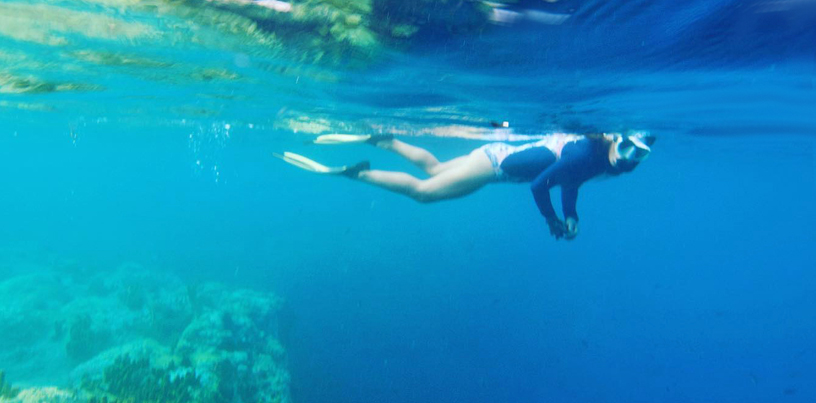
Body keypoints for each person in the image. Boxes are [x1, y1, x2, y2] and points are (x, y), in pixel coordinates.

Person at [275, 131, 654, 240]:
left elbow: (568, 181)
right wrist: (553, 221)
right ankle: (356, 172)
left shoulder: (593, 156)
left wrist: (572, 214)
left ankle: (384, 141)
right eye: (626, 147)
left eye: (637, 155)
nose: (626, 157)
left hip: (494, 155)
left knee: (437, 169)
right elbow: (540, 186)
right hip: (494, 166)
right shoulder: (587, 154)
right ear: (615, 138)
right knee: (424, 193)